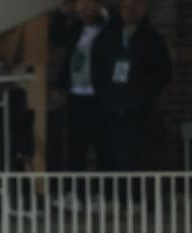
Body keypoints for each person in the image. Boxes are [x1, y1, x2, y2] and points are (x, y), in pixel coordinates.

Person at [93, 0, 171, 171]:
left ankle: (130, 188)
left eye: (133, 7)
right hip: (111, 106)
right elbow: (97, 68)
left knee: (132, 155)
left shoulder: (152, 39)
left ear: (142, 9)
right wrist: (104, 94)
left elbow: (163, 72)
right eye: (125, 7)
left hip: (136, 108)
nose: (129, 12)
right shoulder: (108, 37)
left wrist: (143, 92)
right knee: (109, 153)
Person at [50, 0, 115, 171]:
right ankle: (76, 185)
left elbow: (114, 21)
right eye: (79, 12)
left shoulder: (107, 28)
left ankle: (104, 185)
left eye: (86, 10)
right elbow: (57, 36)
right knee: (76, 145)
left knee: (103, 144)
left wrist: (102, 11)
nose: (83, 15)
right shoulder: (77, 28)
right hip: (77, 94)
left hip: (99, 94)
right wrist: (61, 14)